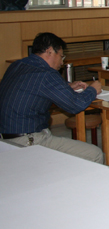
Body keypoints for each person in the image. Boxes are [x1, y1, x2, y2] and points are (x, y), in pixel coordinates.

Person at [0, 32, 103, 163]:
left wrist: (67, 86)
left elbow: (33, 87)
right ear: (49, 52)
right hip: (26, 140)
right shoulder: (46, 73)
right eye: (61, 56)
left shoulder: (18, 65)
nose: (62, 61)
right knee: (94, 154)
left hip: (5, 139)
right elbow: (76, 105)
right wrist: (92, 89)